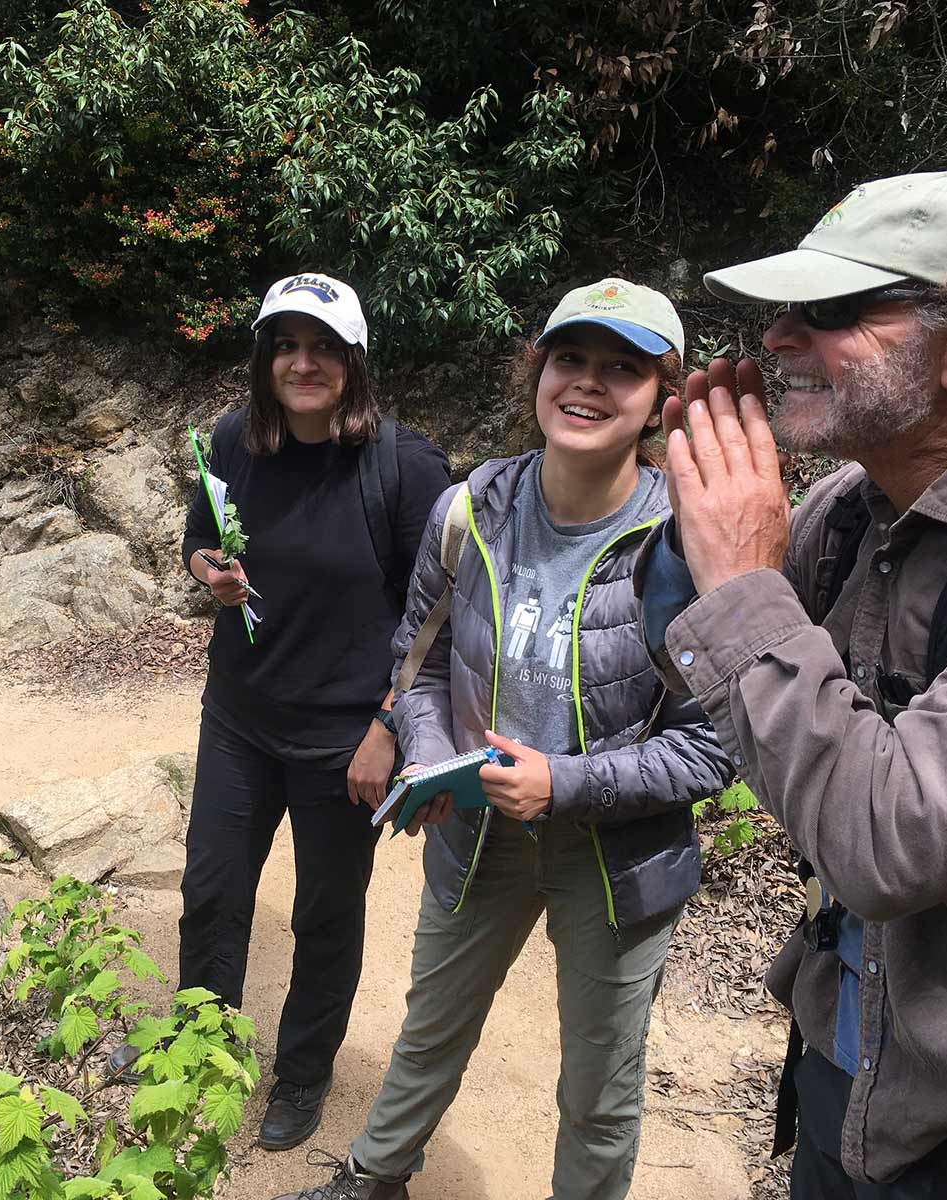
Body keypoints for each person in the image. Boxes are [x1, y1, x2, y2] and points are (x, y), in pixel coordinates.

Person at [637, 170, 947, 1196]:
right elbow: (699, 680)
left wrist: (745, 580)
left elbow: (888, 844)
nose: (777, 338)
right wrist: (692, 544)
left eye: (831, 311)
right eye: (783, 311)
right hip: (848, 1065)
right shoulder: (860, 503)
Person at [277, 279, 732, 1200]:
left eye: (623, 368)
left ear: (661, 398)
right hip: (477, 829)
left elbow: (714, 745)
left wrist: (565, 784)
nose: (590, 384)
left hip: (612, 857)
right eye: (571, 358)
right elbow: (418, 660)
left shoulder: (687, 541)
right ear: (537, 369)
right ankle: (375, 1177)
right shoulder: (473, 506)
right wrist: (432, 752)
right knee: (431, 1024)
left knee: (600, 1085)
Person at [179, 272, 451, 1151]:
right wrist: (209, 575)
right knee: (212, 893)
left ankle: (302, 1072)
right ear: (264, 359)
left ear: (354, 361)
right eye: (287, 345)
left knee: (325, 914)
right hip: (239, 716)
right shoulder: (233, 441)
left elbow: (438, 617)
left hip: (345, 734)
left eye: (324, 346)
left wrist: (388, 728)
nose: (304, 363)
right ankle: (198, 1052)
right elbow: (198, 538)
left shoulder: (404, 467)